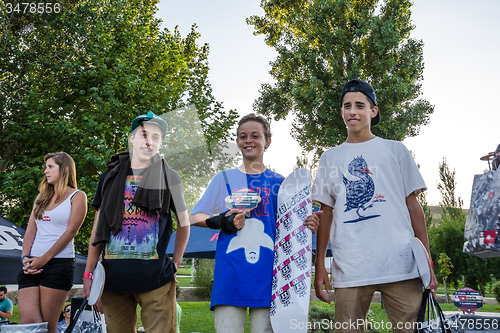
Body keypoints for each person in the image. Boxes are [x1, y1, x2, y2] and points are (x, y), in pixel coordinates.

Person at [312, 79, 438, 333]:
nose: (352, 111)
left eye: (360, 105)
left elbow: (414, 208)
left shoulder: (396, 150)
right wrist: (319, 267)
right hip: (350, 267)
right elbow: (326, 214)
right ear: (341, 112)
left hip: (401, 265)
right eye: (347, 106)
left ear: (373, 111)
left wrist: (426, 262)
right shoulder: (330, 157)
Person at [190, 113, 321, 333]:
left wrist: (309, 223)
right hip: (230, 276)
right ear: (237, 141)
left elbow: (294, 224)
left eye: (255, 136)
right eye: (242, 136)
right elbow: (194, 217)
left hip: (271, 279)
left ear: (267, 141)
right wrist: (222, 221)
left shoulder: (282, 183)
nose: (248, 140)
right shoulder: (224, 178)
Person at [83, 111, 190, 333]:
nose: (149, 141)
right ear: (132, 137)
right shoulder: (109, 175)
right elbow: (97, 227)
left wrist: (176, 263)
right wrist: (88, 273)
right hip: (113, 279)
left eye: (156, 137)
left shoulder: (171, 176)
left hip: (156, 279)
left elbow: (184, 223)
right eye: (143, 134)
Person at [17, 152, 87, 333]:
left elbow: (71, 231)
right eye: (45, 167)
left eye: (50, 167)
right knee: (29, 324)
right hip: (31, 264)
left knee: (48, 327)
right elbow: (31, 230)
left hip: (59, 264)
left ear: (64, 169)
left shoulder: (78, 196)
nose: (45, 171)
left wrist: (44, 259)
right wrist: (25, 256)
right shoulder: (41, 197)